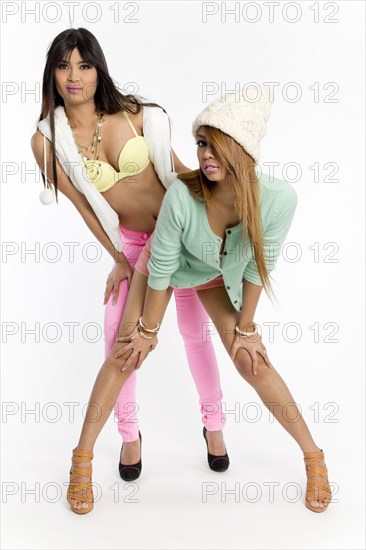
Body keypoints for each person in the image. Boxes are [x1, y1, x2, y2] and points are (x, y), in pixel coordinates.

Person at [73, 85, 331, 514]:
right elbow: (161, 269)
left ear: (243, 150)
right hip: (160, 269)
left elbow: (255, 267)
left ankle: (314, 458)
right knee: (125, 352)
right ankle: (80, 461)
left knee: (253, 361)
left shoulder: (279, 199)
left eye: (218, 146)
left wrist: (246, 329)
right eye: (201, 143)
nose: (205, 155)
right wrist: (146, 332)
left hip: (213, 275)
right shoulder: (181, 195)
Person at [31, 27, 229, 496]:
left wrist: (219, 220)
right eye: (63, 66)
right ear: (52, 74)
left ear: (99, 69)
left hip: (182, 238)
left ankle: (214, 425)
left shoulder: (138, 113)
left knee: (194, 333)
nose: (73, 76)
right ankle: (128, 436)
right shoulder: (47, 139)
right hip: (137, 248)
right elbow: (83, 206)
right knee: (117, 341)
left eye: (84, 65)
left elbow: (180, 170)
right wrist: (119, 258)